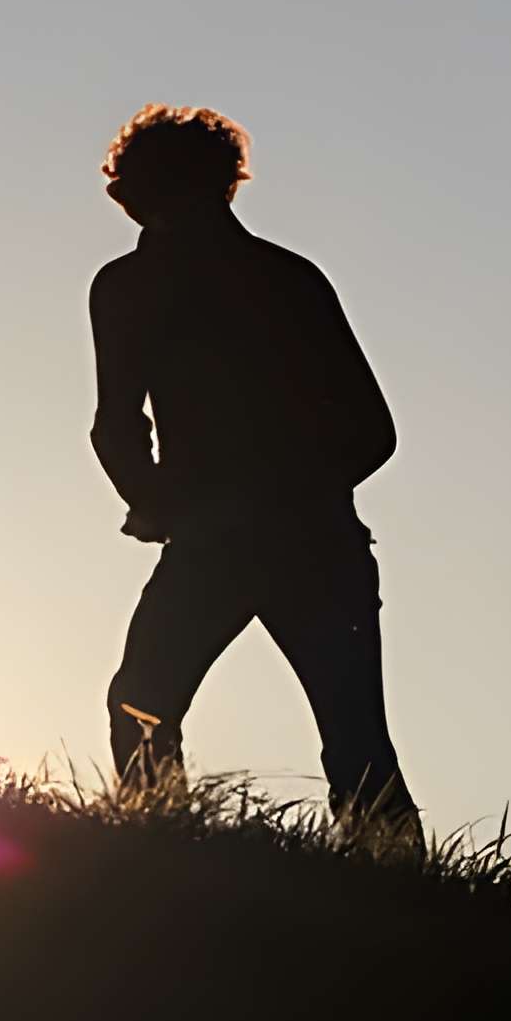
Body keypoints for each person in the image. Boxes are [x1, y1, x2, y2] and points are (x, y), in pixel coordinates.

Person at [86, 105, 422, 846]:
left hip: (274, 539)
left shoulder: (148, 284)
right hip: (287, 540)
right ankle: (158, 856)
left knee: (150, 705)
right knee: (352, 743)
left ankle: (156, 856)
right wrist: (167, 502)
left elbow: (373, 431)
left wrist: (175, 501)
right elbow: (374, 433)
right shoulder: (269, 279)